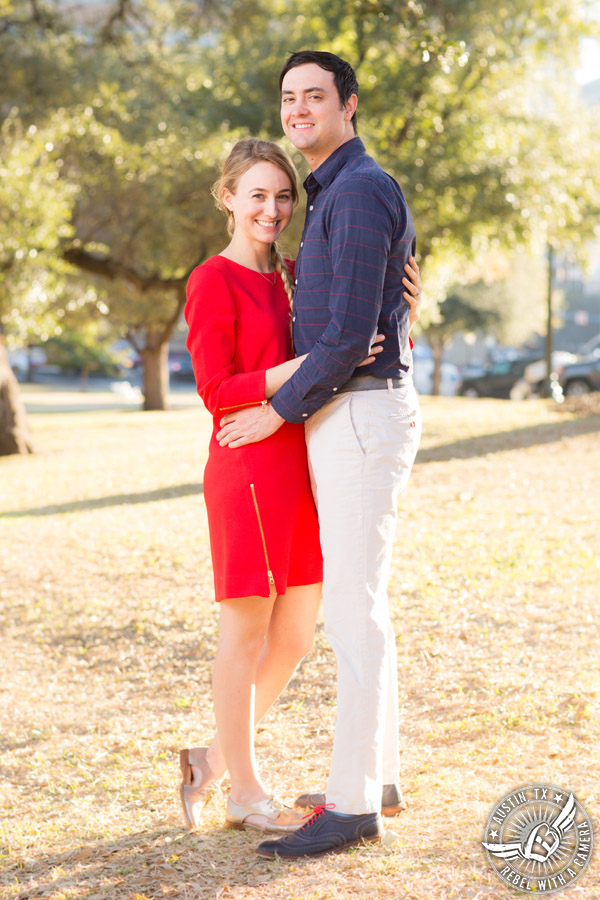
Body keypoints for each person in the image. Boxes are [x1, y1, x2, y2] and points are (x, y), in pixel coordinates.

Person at [180, 139, 421, 836]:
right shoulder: (211, 280)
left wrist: (406, 299)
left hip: (299, 462)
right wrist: (312, 363)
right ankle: (244, 791)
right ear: (226, 197)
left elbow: (353, 309)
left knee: (295, 636)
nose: (272, 209)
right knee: (247, 631)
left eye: (283, 196)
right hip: (247, 462)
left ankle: (211, 760)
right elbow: (215, 390)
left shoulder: (290, 273)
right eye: (256, 195)